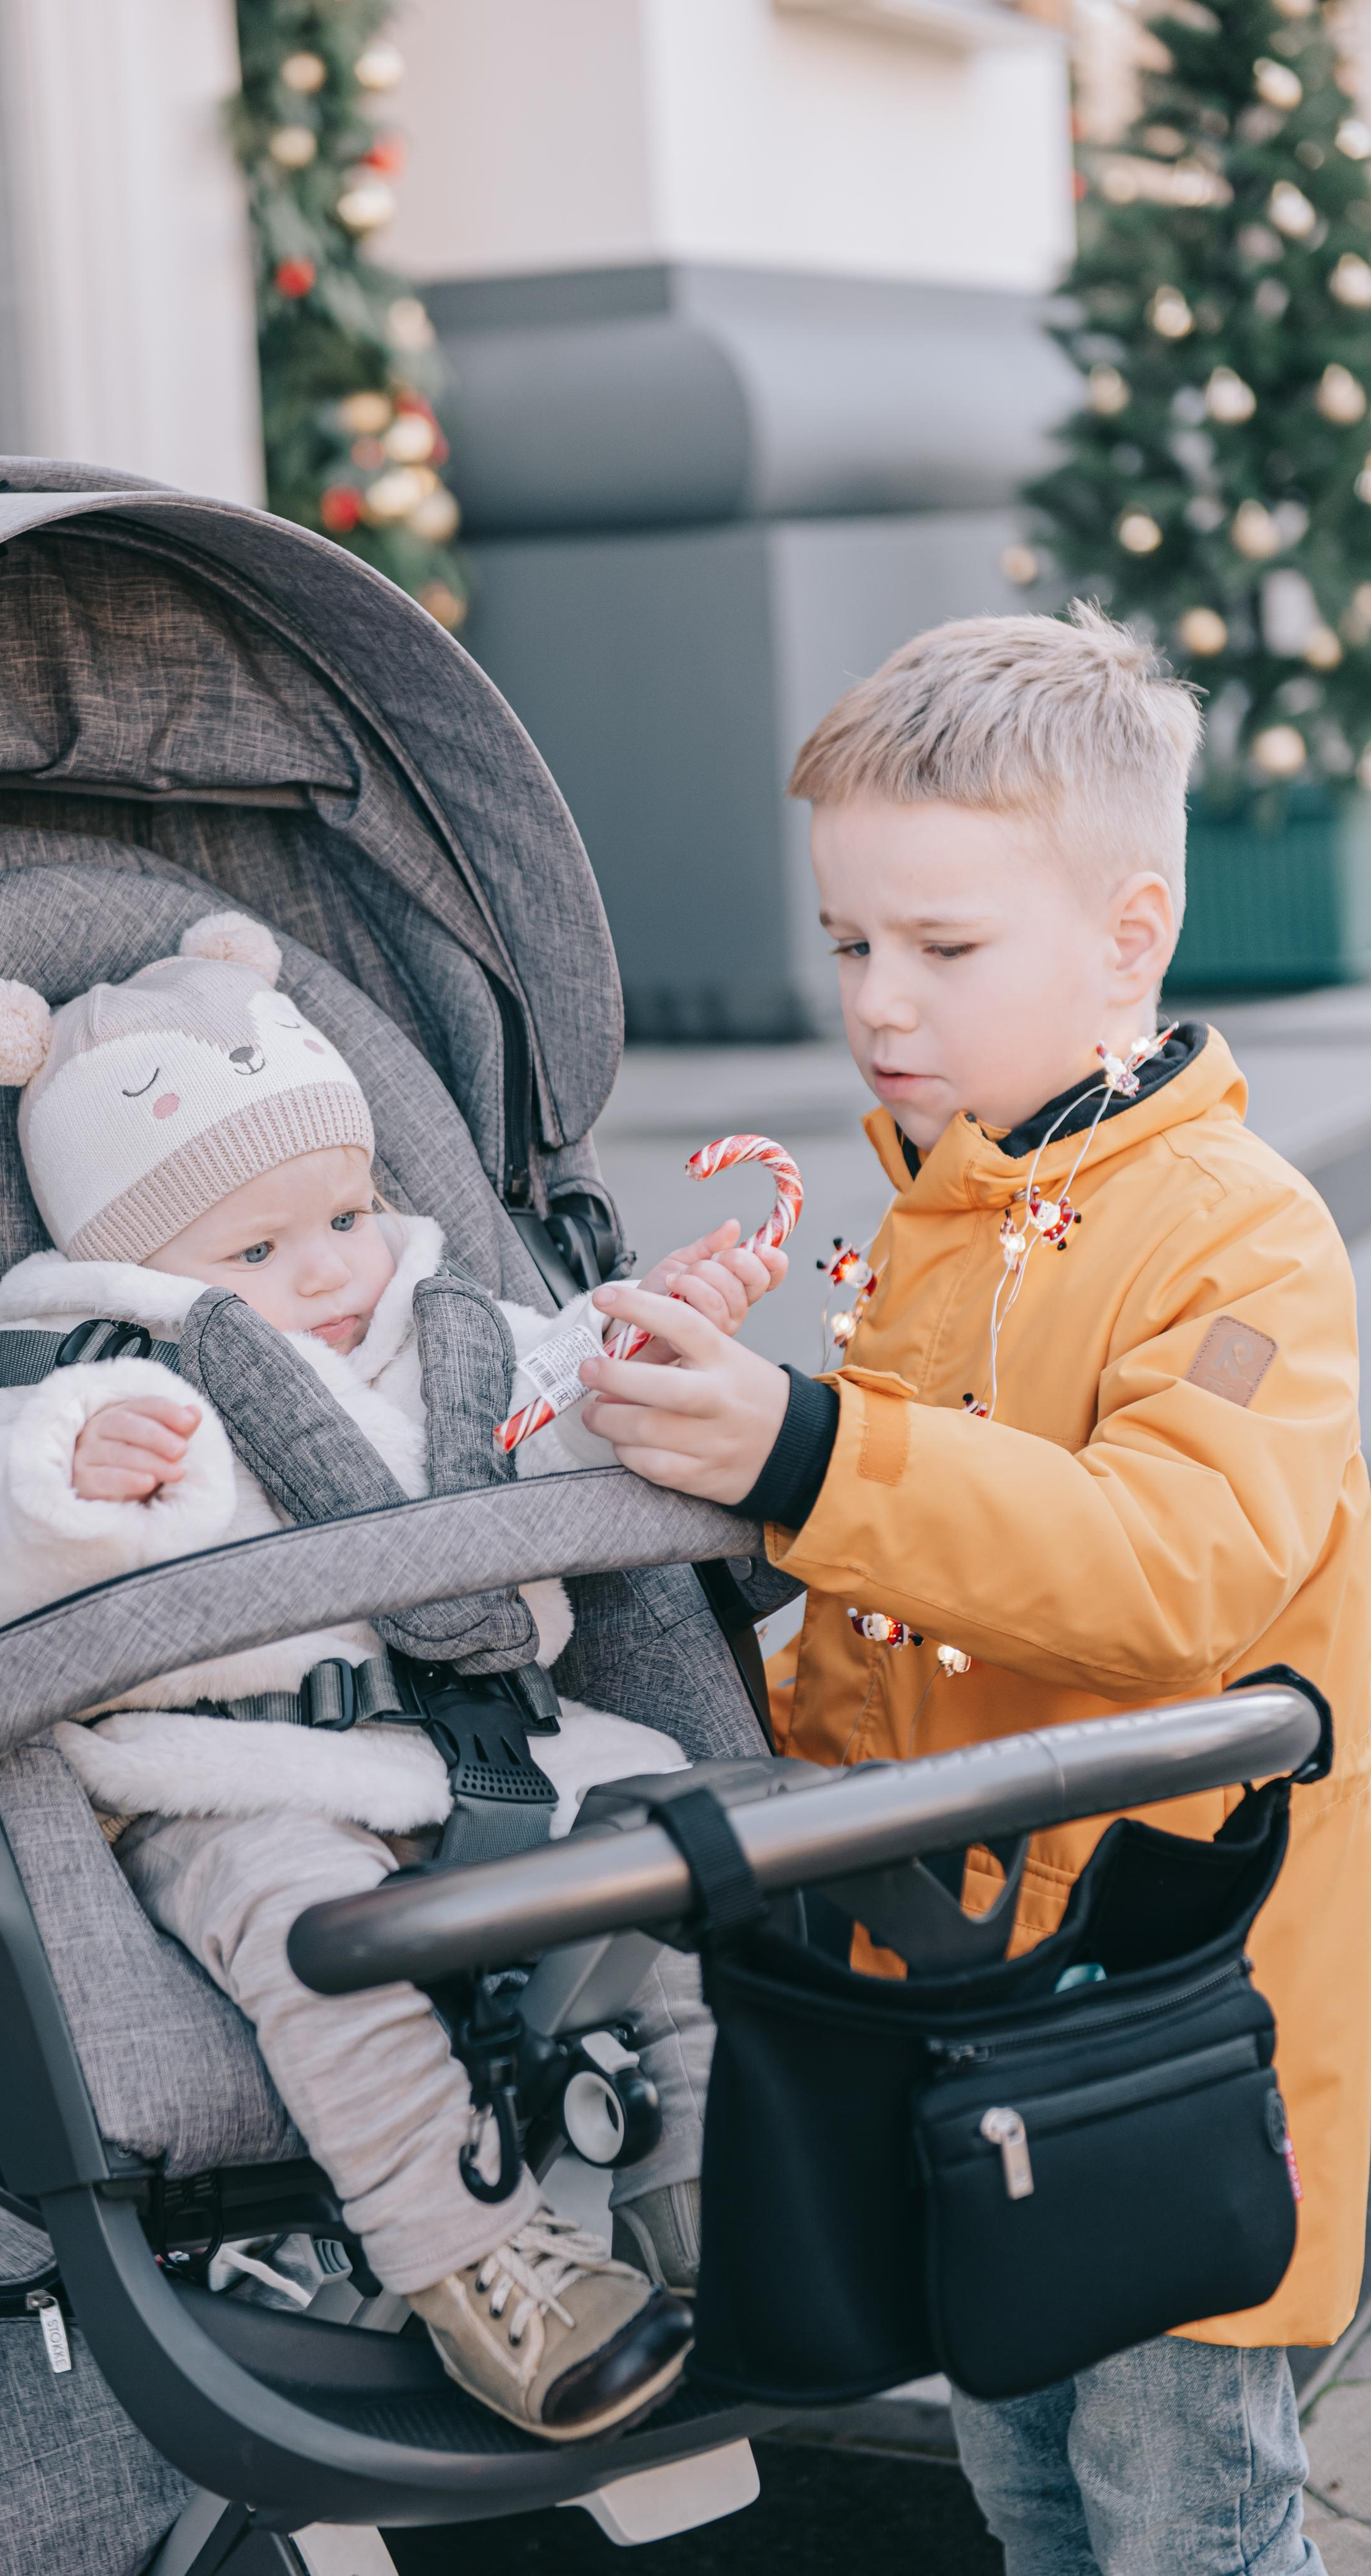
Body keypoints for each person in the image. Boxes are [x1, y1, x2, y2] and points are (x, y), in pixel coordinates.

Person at [575, 605, 1371, 2573]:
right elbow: (884, 1581)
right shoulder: (946, 1207)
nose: (879, 1000)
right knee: (1018, 2476)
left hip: (1176, 2008)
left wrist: (806, 1455)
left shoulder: (1242, 1248)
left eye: (944, 946)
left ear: (1129, 935)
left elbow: (1170, 1566)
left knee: (1177, 2509)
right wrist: (703, 1448)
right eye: (853, 941)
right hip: (964, 1993)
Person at [0, 911, 785, 2444]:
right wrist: (79, 1487)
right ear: (132, 1260)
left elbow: (564, 1404)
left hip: (503, 1738)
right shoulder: (105, 1376)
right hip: (247, 1777)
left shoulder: (440, 1329)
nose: (322, 1271)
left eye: (339, 1216)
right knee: (326, 1954)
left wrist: (646, 1351)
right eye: (252, 1252)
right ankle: (475, 2266)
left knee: (685, 1858)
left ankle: (708, 2180)